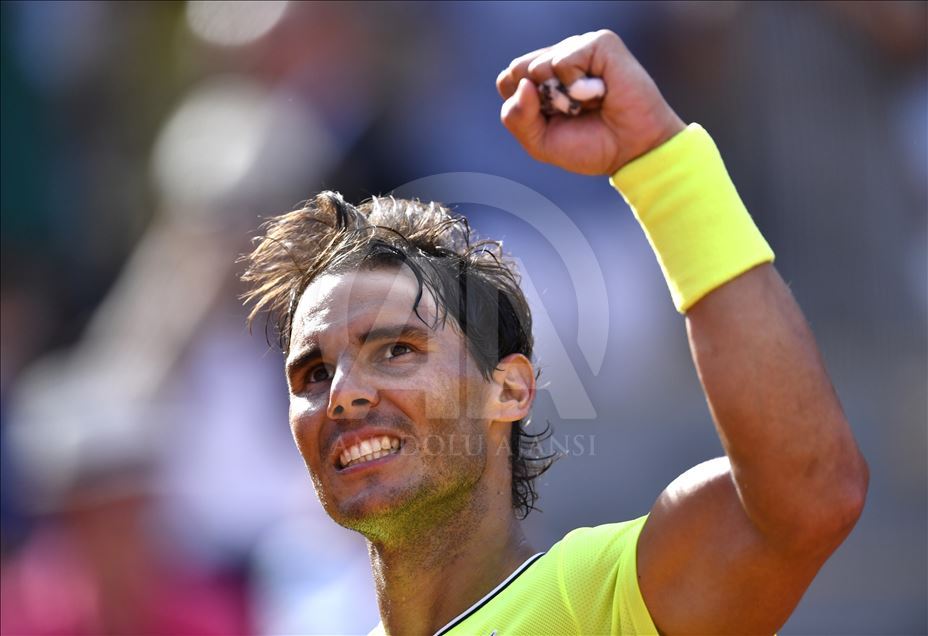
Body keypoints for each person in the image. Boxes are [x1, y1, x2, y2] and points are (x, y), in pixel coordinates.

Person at [240, 30, 868, 635]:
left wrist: (662, 162)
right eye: (315, 372)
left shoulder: (599, 597)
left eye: (397, 349)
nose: (343, 392)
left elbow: (809, 497)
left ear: (509, 390)